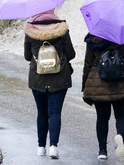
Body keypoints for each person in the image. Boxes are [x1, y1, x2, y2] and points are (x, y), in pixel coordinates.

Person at [24, 9, 75, 159]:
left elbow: (28, 57)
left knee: (42, 113)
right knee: (54, 112)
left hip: (37, 78)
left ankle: (41, 147)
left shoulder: (30, 31)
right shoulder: (62, 29)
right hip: (59, 78)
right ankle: (53, 146)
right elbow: (71, 54)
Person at [82, 33, 124, 160]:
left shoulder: (93, 36)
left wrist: (85, 84)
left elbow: (88, 62)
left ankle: (102, 151)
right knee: (122, 115)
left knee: (102, 117)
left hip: (99, 83)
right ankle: (120, 135)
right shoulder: (123, 33)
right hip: (122, 81)